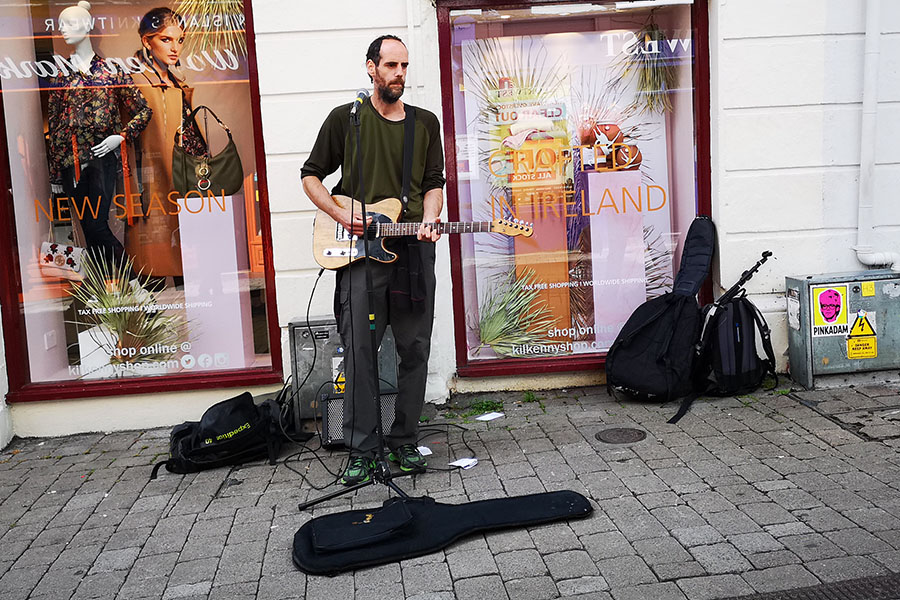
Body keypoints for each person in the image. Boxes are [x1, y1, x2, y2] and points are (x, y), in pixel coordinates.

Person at [301, 35, 446, 486]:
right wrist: (342, 214)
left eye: (405, 65)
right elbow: (310, 177)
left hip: (413, 252)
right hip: (361, 255)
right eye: (390, 65)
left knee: (414, 349)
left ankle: (403, 441)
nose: (400, 73)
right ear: (371, 68)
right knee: (360, 352)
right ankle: (361, 450)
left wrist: (432, 218)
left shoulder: (425, 123)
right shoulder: (348, 119)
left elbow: (434, 182)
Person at [47, 1, 151, 278]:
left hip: (102, 159)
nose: (62, 30)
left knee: (95, 225)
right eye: (60, 25)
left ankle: (136, 283)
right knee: (89, 227)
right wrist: (56, 175)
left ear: (88, 25)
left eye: (69, 23)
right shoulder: (60, 76)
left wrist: (121, 136)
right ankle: (110, 291)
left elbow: (143, 110)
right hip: (72, 164)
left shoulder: (112, 71)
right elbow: (56, 125)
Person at [125, 7, 207, 282]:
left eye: (180, 40)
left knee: (189, 251)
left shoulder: (174, 81)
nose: (175, 48)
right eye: (166, 39)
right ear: (147, 41)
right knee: (155, 255)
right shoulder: (137, 82)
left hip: (185, 175)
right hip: (153, 175)